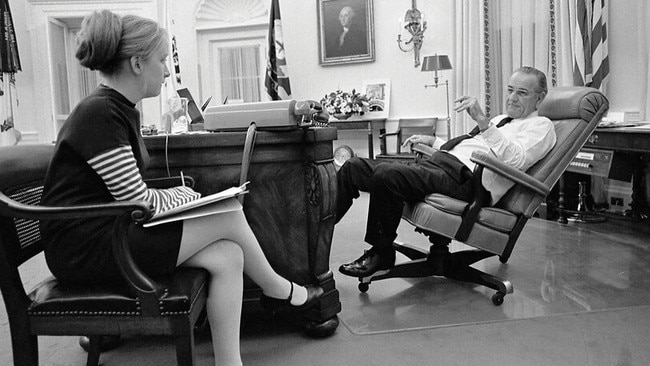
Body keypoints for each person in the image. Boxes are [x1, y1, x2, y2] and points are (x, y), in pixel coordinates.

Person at [39, 10, 322, 366]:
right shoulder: (100, 113)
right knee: (230, 211)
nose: (167, 70)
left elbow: (131, 194)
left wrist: (182, 197)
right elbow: (137, 200)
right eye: (161, 60)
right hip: (85, 249)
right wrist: (184, 198)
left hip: (108, 231)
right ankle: (279, 289)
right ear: (138, 64)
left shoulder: (114, 108)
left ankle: (230, 361)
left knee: (229, 255)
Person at [336, 66, 557, 278]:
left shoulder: (541, 127)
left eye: (522, 92)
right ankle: (316, 237)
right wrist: (436, 141)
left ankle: (381, 252)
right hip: (444, 165)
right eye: (510, 90)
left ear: (540, 97)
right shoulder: (500, 120)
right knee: (353, 167)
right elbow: (469, 147)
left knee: (387, 175)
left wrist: (482, 121)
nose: (512, 98)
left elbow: (515, 160)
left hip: (468, 181)